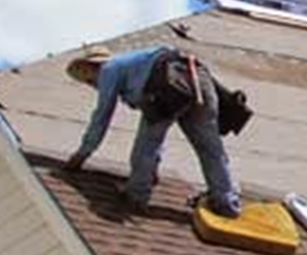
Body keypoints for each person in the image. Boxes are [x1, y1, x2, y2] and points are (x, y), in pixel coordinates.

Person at [64, 45, 242, 218]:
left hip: (167, 86)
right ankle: (227, 203)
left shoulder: (109, 69)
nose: (93, 85)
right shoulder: (137, 62)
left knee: (147, 144)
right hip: (198, 78)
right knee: (210, 148)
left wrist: (83, 153)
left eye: (89, 80)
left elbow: (102, 115)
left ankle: (136, 196)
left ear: (92, 67)